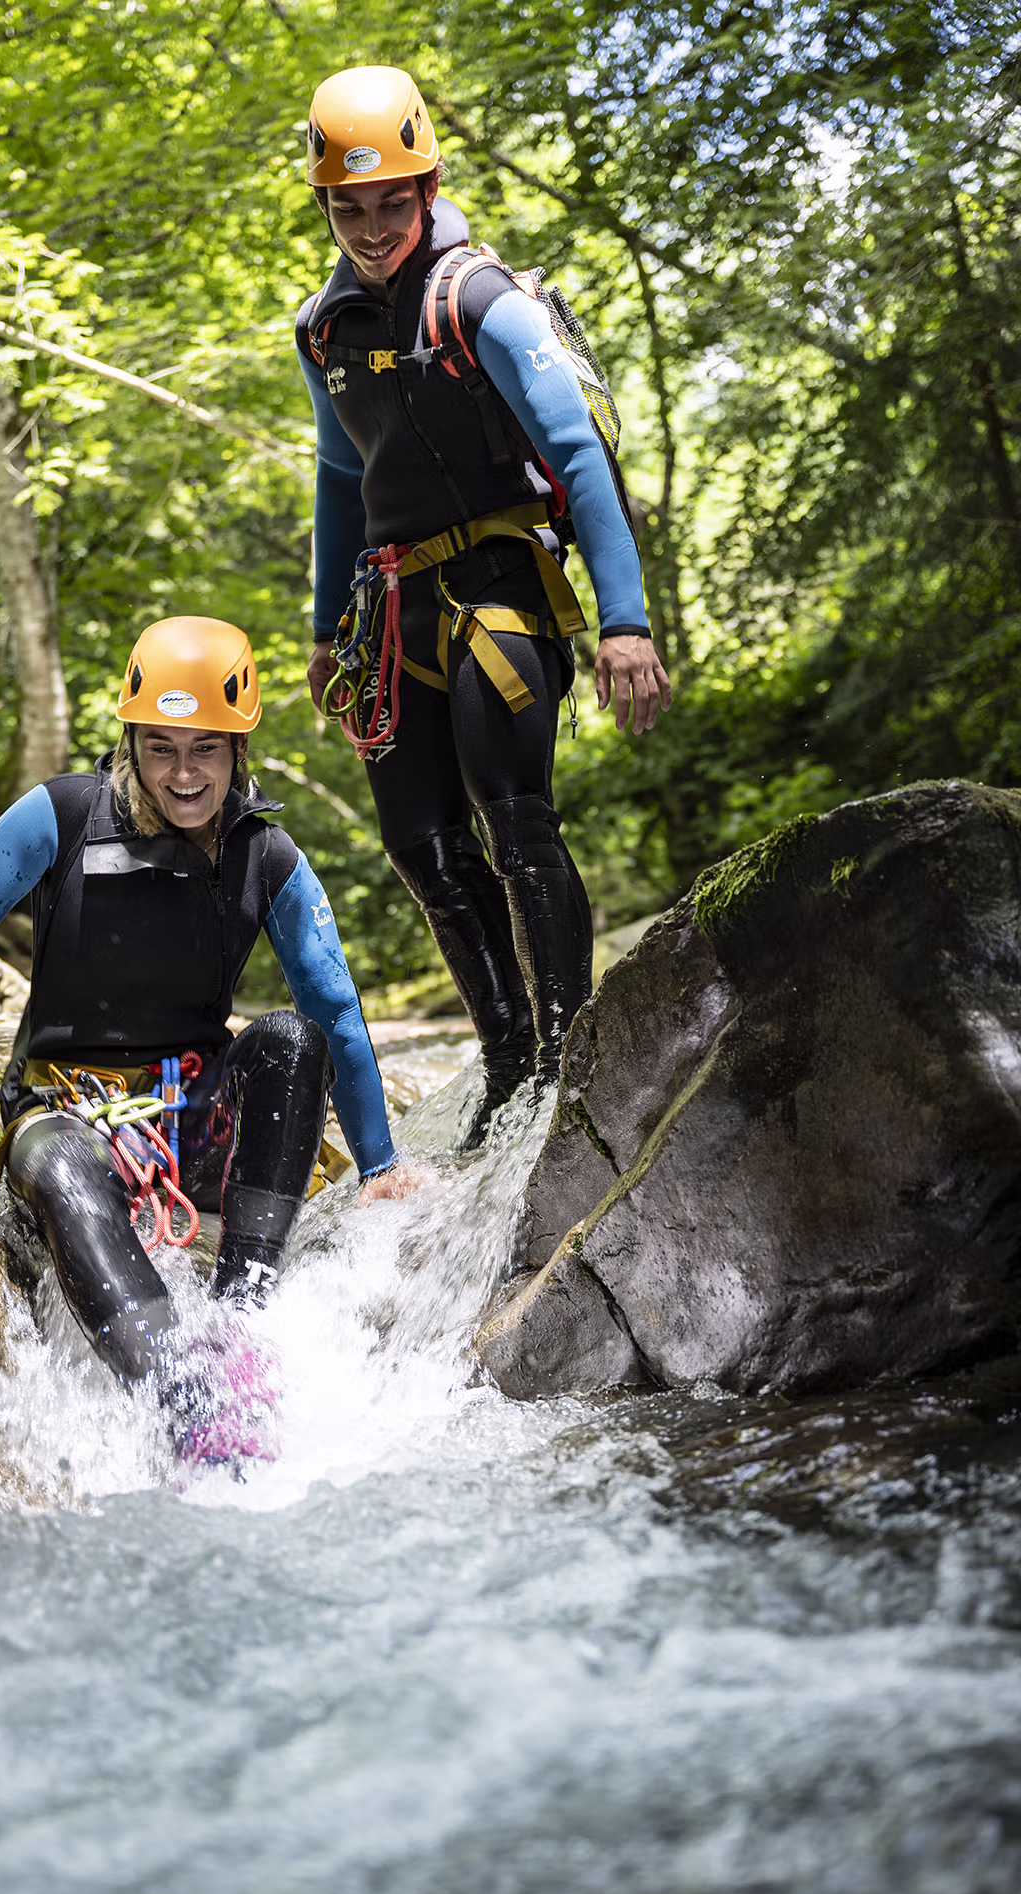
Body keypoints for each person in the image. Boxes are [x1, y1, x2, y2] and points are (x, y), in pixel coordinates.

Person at [0, 616, 411, 1396]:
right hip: (69, 1117)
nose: (183, 774)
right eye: (161, 748)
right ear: (131, 741)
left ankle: (242, 1321)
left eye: (205, 747)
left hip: (198, 1125)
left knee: (291, 1039)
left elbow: (336, 1010)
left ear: (239, 751)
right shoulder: (62, 815)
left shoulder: (265, 855)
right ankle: (183, 1395)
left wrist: (381, 1165)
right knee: (63, 1163)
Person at [296, 66, 672, 1139]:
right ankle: (509, 1060)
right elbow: (336, 479)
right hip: (390, 609)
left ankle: (567, 1049)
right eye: (346, 206)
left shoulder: (480, 300)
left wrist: (624, 622)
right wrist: (326, 630)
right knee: (419, 840)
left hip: (500, 586)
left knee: (512, 811)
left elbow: (579, 456)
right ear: (323, 205)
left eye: (390, 203)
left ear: (427, 185)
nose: (371, 227)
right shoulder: (323, 330)